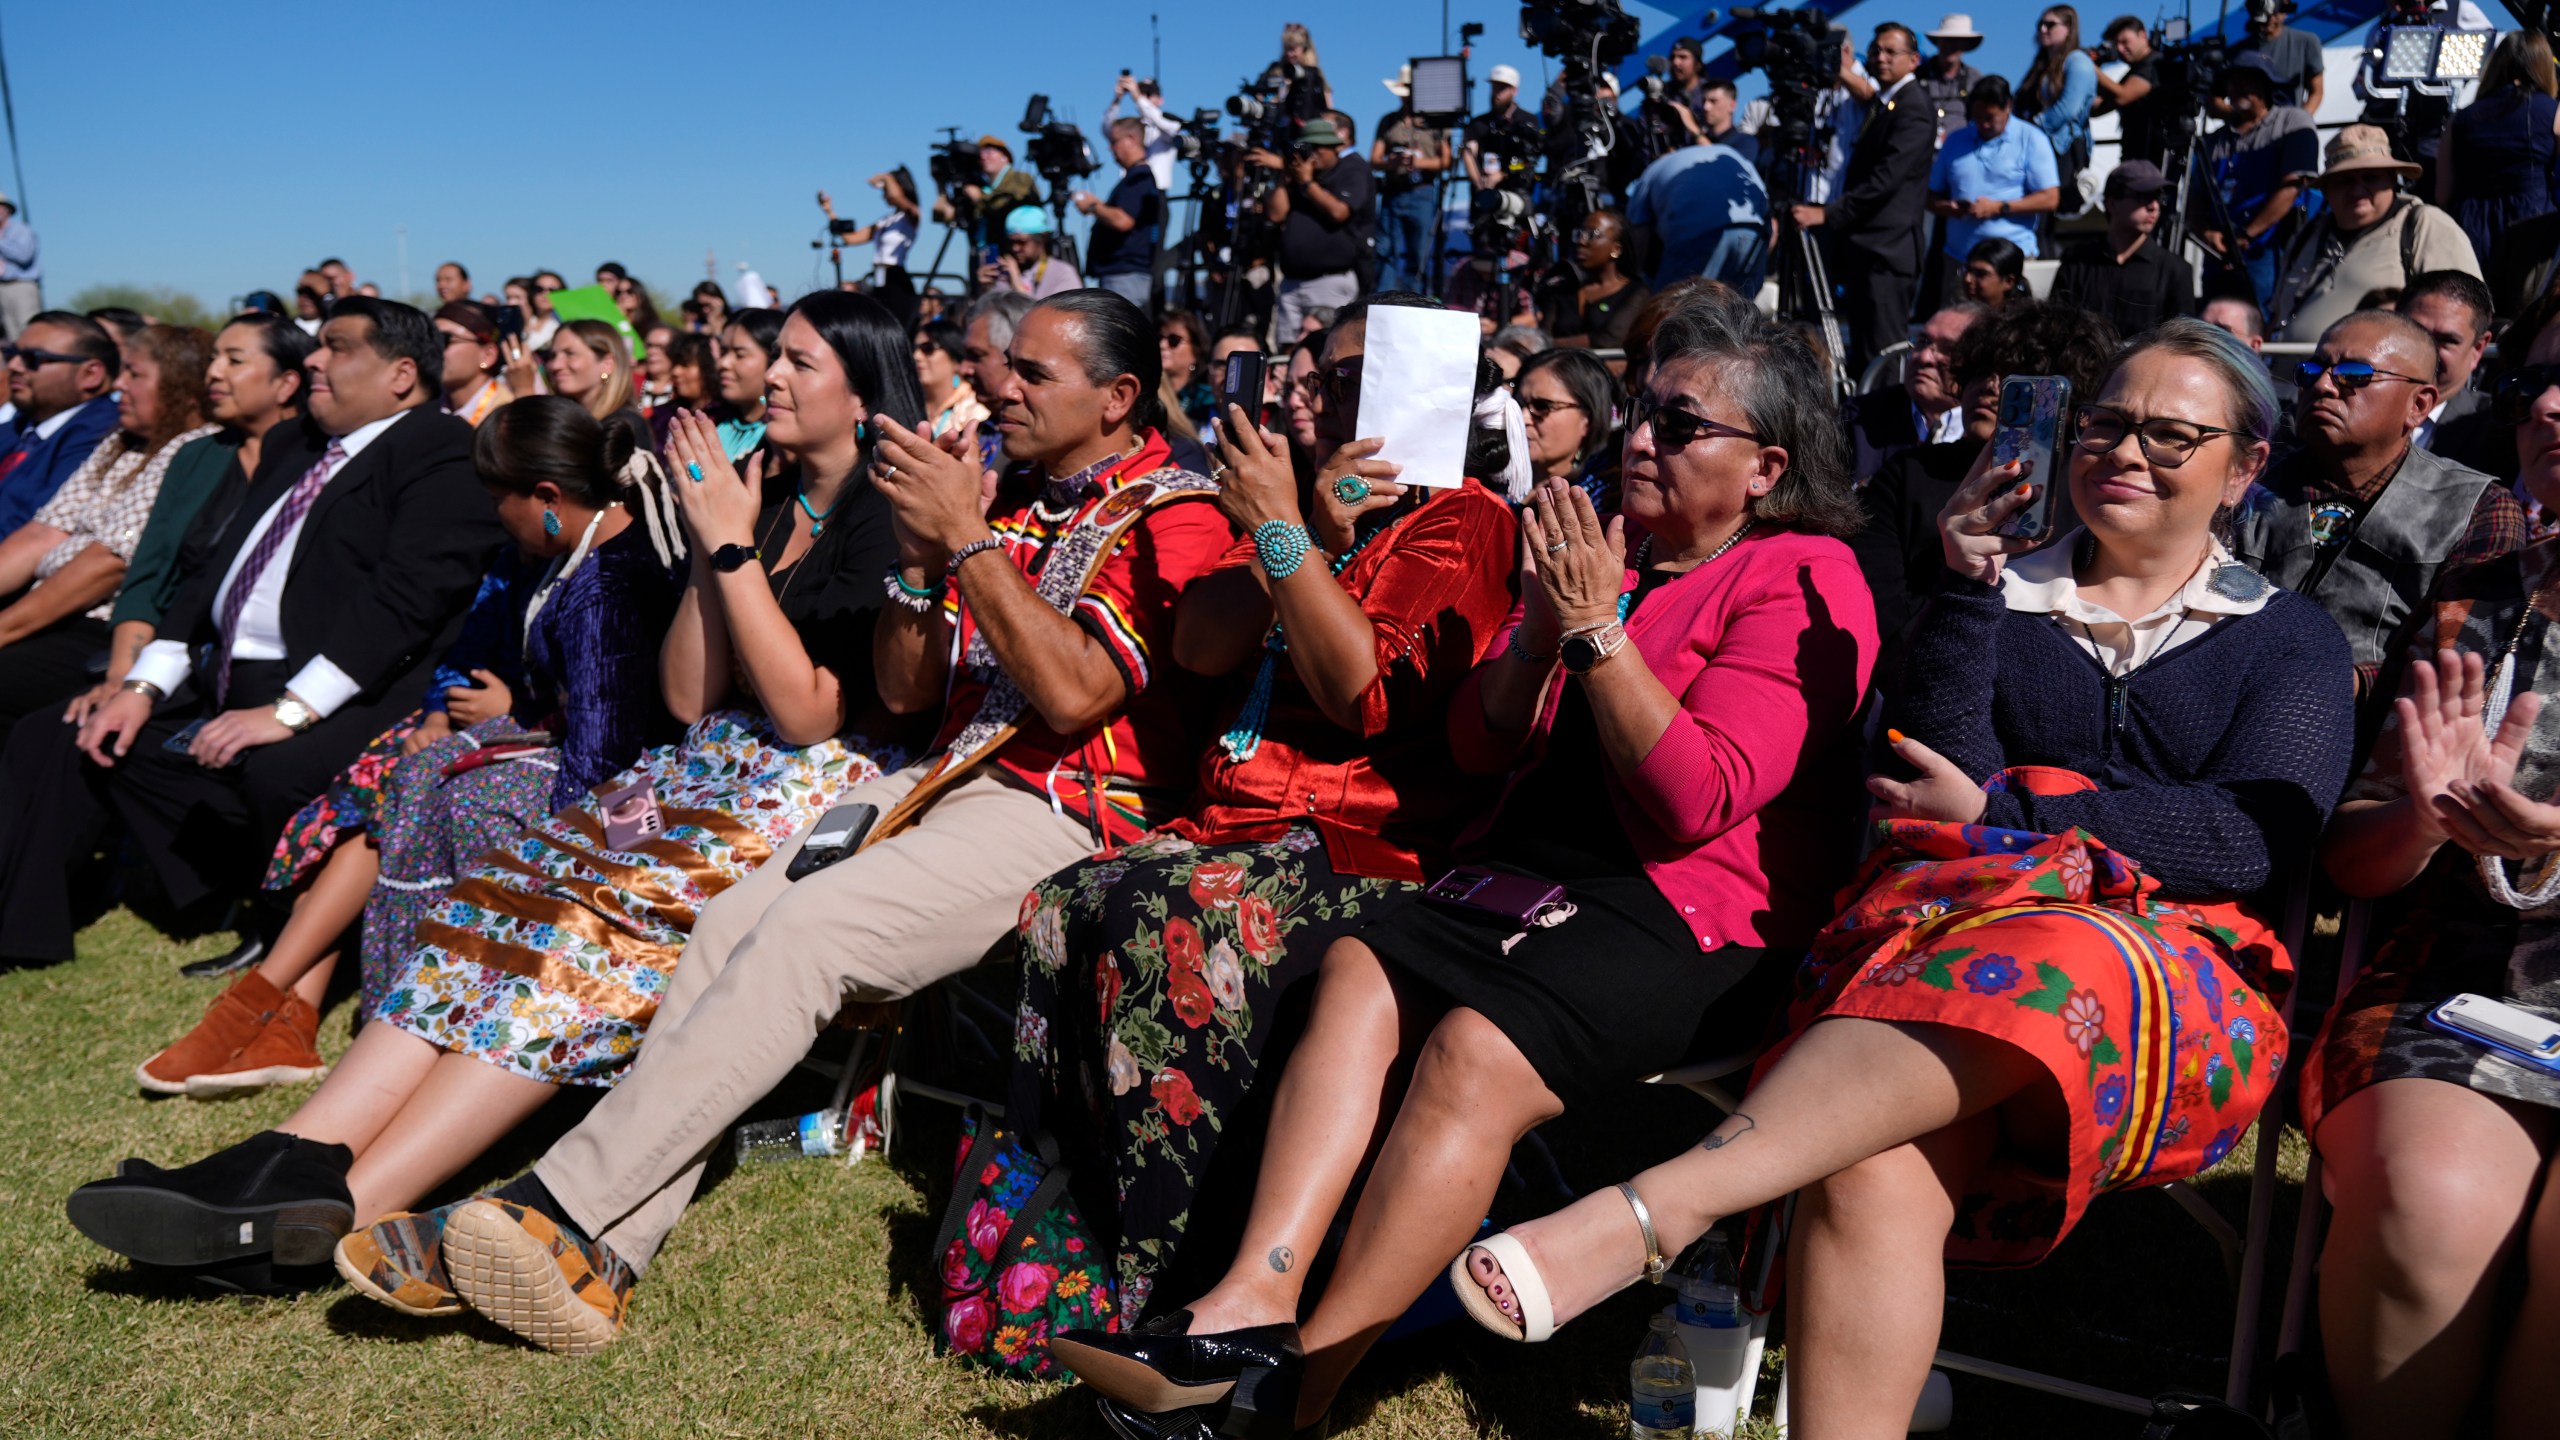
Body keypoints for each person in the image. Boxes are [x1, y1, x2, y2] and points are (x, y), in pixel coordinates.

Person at [1449, 320, 2353, 1440]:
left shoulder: (2288, 640)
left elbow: (2245, 837)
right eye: (2108, 424)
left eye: (2171, 435)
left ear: (2244, 466)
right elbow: (1925, 771)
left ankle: (1658, 1207)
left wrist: (2018, 815)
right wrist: (1967, 587)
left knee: (2053, 955)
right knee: (1870, 1164)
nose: (2125, 452)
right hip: (1950, 940)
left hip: (2172, 989)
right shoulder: (1995, 599)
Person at [326, 291, 1230, 1353]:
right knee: (721, 927)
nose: (999, 385)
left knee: (806, 936)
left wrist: (968, 542)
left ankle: (555, 1207)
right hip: (946, 776)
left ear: (1120, 397)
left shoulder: (1177, 514)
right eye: (1004, 366)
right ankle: (602, 1260)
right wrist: (919, 563)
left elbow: (1079, 700)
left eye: (1033, 374)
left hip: (1071, 809)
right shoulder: (1021, 502)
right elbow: (905, 688)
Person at [1055, 298, 1876, 1438]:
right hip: (1533, 875)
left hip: (1686, 914)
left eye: (1679, 426)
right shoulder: (1605, 547)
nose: (1639, 438)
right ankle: (1249, 1302)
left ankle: (1298, 1393)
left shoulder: (1802, 576)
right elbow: (1476, 743)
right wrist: (1542, 633)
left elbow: (1699, 801)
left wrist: (1598, 635)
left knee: (1471, 1050)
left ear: (1763, 468)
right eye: (1641, 413)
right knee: (1356, 972)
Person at [70, 391, 695, 1290]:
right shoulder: (566, 558)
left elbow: (600, 755)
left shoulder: (607, 577)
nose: (491, 515)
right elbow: (523, 683)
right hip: (585, 780)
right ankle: (286, 1134)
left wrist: (492, 739)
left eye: (499, 498)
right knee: (415, 780)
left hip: (614, 809)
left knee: (433, 796)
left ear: (548, 494)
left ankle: (304, 1116)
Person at [1006, 291, 1519, 1330]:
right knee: (1065, 903)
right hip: (1235, 825)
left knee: (1169, 922)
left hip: (1364, 841)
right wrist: (1312, 525)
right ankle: (1066, 1243)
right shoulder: (1320, 495)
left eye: (1334, 380)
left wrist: (1287, 536)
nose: (1301, 394)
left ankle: (1174, 1286)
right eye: (1308, 375)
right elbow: (1198, 646)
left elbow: (1360, 695)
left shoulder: (1462, 517)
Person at [0, 299, 502, 968]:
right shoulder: (296, 444)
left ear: (401, 375)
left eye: (337, 346)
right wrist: (142, 685)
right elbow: (211, 574)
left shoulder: (442, 452)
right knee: (76, 733)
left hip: (353, 685)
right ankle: (27, 934)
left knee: (273, 772)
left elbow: (403, 602)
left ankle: (283, 919)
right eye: (316, 344)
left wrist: (289, 711)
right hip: (226, 672)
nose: (314, 359)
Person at [2302, 298, 2560, 1440]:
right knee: (2427, 1210)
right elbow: (2355, 867)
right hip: (2468, 986)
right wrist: (2424, 818)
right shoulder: (2479, 594)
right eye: (2543, 377)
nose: (2547, 404)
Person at [61, 315, 316, 817]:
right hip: (174, 654)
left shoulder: (319, 461)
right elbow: (149, 579)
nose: (214, 373)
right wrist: (122, 677)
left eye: (234, 361)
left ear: (288, 382)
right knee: (63, 734)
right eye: (214, 358)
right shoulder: (198, 455)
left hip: (260, 670)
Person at [2231, 309, 2519, 685]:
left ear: (2418, 405)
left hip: (2374, 733)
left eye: (2353, 375)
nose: (2323, 386)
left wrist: (2342, 684)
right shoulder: (2247, 480)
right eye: (2311, 371)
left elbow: (2464, 664)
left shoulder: (2479, 508)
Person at [1852, 299, 2119, 668]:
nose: (1991, 387)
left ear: (2062, 400)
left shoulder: (2091, 489)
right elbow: (1879, 617)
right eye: (1980, 372)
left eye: (2016, 380)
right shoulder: (1907, 475)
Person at [0, 325, 217, 738]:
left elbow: (107, 564)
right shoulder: (122, 441)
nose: (120, 386)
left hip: (99, 627)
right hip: (46, 607)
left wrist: (3, 629)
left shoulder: (192, 449)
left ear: (182, 388)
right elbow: (44, 532)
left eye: (135, 374)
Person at [1796, 25, 1934, 376]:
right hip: (1869, 249)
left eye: (1891, 52)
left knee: (1883, 357)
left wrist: (1827, 214)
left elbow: (1885, 181)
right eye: (1875, 51)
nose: (1880, 58)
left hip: (1887, 250)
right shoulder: (1889, 102)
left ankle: (1890, 432)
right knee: (1866, 354)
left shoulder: (1913, 107)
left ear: (1914, 60)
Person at [2272, 125, 2482, 345]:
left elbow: (2466, 315)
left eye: (2370, 178)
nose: (2357, 189)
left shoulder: (2425, 225)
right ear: (2326, 189)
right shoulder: (2307, 234)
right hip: (2288, 375)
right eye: (2345, 180)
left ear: (2392, 180)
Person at [2195, 57, 2319, 312]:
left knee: (2260, 320)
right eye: (2232, 82)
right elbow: (2194, 197)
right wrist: (2205, 233)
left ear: (2265, 86)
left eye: (2248, 81)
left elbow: (2293, 186)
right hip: (2218, 252)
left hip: (2268, 249)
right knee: (2212, 327)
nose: (2238, 88)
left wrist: (2247, 235)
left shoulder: (2293, 121)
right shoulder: (2213, 140)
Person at [2436, 30, 2559, 282]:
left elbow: (2443, 195)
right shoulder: (2555, 113)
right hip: (2532, 222)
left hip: (2471, 226)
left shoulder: (2459, 119)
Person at [1929, 76, 2062, 302]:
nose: (1983, 124)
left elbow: (2050, 199)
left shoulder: (2031, 139)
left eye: (1990, 117)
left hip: (2010, 261)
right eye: (1977, 117)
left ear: (2008, 106)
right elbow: (1931, 196)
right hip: (1960, 261)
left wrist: (1999, 207)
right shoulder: (1956, 140)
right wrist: (1950, 207)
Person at [0, 312, 123, 535]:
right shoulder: (17, 428)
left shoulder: (103, 435)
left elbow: (29, 527)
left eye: (32, 358)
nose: (15, 366)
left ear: (90, 374)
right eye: (11, 354)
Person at [2051, 159, 2198, 338]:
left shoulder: (2175, 270)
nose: (2154, 206)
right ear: (2112, 204)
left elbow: (2181, 342)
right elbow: (2055, 327)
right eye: (2143, 197)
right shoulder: (2077, 262)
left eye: (2158, 197)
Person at [1259, 117, 1372, 344]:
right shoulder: (1297, 176)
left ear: (1334, 148)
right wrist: (1285, 176)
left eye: (1319, 148)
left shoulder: (1351, 170)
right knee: (1288, 349)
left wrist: (1307, 183)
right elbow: (1276, 214)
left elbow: (1339, 212)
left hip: (1329, 281)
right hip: (1292, 282)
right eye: (1309, 148)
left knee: (1327, 346)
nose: (1313, 155)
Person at [1845, 302, 1984, 482]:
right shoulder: (1858, 419)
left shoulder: (1989, 433)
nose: (1924, 357)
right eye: (1923, 342)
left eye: (1948, 349)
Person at [1626, 131, 1771, 297]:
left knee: (1675, 307)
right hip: (1754, 230)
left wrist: (1635, 281)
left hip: (1697, 231)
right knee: (1740, 313)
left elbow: (1637, 231)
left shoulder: (1653, 168)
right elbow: (1768, 214)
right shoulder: (1727, 152)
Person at [2397, 271, 2500, 476]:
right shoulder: (2348, 401)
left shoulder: (2496, 431)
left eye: (2447, 340)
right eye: (2416, 332)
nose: (2428, 350)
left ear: (2478, 349)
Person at [1373, 66, 1452, 295]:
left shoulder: (1434, 122)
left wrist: (1420, 163)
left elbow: (1446, 160)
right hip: (1393, 191)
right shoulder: (1389, 121)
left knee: (1420, 253)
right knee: (1386, 250)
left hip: (1422, 192)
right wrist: (1393, 162)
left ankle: (1416, 297)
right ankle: (1384, 298)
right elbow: (1374, 158)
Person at [1077, 118, 1166, 312]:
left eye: (1115, 142)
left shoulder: (1139, 178)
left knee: (1120, 337)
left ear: (1132, 139)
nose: (1111, 148)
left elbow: (1123, 220)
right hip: (1123, 276)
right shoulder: (1135, 179)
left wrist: (1092, 206)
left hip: (1125, 277)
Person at [1515, 347, 1621, 504]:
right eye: (1518, 404)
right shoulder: (1486, 482)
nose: (1523, 418)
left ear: (1587, 419)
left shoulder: (1605, 500)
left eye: (1541, 406)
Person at [1533, 211, 1650, 353]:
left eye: (1592, 235)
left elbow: (1610, 340)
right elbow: (1543, 336)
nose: (1581, 241)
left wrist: (1552, 344)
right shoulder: (1564, 288)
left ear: (1616, 249)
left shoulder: (1635, 293)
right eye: (1580, 234)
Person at [2019, 7, 2097, 217]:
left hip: (2062, 148)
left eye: (2050, 24)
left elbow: (2069, 108)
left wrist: (2032, 128)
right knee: (2036, 213)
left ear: (2069, 28)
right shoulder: (2043, 63)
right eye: (2040, 25)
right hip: (2043, 145)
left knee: (2047, 212)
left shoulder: (2078, 61)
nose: (2043, 29)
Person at [818, 171, 922, 326]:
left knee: (897, 323)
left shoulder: (911, 215)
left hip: (896, 277)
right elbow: (850, 238)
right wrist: (829, 211)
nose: (885, 195)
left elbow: (896, 197)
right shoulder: (885, 221)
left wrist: (886, 177)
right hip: (878, 276)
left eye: (886, 190)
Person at [545, 318, 649, 453]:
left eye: (570, 354)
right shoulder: (565, 421)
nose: (555, 365)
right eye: (553, 355)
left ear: (607, 364)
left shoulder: (625, 426)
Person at [945, 134, 1040, 251]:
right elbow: (948, 216)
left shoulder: (1020, 179)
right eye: (980, 154)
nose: (984, 157)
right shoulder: (981, 186)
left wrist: (980, 199)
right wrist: (941, 184)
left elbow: (1004, 206)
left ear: (1005, 157)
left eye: (989, 152)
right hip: (983, 251)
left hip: (1012, 252)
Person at [711, 307, 782, 463]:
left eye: (740, 354)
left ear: (773, 360)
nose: (723, 363)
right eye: (723, 352)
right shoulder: (713, 420)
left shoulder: (783, 439)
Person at [2231, 0, 2325, 114]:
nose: (2270, 18)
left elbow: (2316, 92)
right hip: (2247, 128)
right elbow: (2216, 101)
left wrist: (2300, 121)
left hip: (2289, 124)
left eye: (2276, 10)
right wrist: (2237, 117)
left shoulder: (2306, 42)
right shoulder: (2237, 52)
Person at [1462, 65, 1542, 197]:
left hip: (1517, 192)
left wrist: (1503, 174)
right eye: (1494, 87)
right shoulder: (1479, 123)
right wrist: (1479, 183)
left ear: (1514, 90)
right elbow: (1468, 153)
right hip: (1485, 195)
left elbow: (1531, 157)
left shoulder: (1527, 121)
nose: (1497, 93)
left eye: (1502, 88)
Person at [2094, 15, 2164, 167]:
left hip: (2152, 161)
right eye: (2116, 44)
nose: (2120, 49)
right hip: (2133, 157)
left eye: (2125, 42)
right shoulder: (2132, 73)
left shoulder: (2155, 65)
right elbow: (2098, 108)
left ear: (2143, 35)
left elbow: (2123, 96)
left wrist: (2093, 71)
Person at [433, 301, 512, 429]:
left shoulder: (506, 417)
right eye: (431, 340)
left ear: (487, 355)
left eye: (444, 339)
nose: (434, 348)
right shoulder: (425, 409)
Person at [1104, 71, 1182, 194]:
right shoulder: (1134, 125)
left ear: (1161, 100)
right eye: (1142, 93)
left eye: (1149, 94)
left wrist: (1137, 98)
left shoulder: (1169, 123)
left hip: (1156, 190)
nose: (1144, 97)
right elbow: (1108, 130)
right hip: (1130, 188)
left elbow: (1165, 124)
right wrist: (1117, 99)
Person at [982, 207, 1082, 301]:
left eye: (1022, 242)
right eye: (1011, 242)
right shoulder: (1004, 274)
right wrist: (984, 289)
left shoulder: (1062, 273)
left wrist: (1018, 285)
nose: (1015, 248)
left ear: (1041, 239)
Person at [1916, 14, 1988, 141]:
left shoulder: (1974, 79)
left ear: (1965, 45)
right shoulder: (1919, 75)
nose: (1950, 46)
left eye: (1957, 41)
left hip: (1958, 152)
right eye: (1946, 40)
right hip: (1920, 150)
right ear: (1938, 42)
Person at [911, 319, 988, 439]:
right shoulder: (909, 401)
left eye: (928, 348)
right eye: (914, 349)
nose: (916, 356)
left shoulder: (974, 409)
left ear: (955, 359)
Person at [1158, 308, 1214, 434]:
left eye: (1174, 340)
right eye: (1159, 337)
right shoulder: (1146, 392)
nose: (1162, 344)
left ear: (1196, 352)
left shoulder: (1205, 398)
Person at [0, 190, 39, 338]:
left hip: (21, 285)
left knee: (27, 327)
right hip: (2, 287)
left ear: (7, 210)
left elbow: (23, 256)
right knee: (11, 331)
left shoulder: (21, 231)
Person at [1960, 236, 2033, 306]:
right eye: (1967, 270)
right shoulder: (1960, 315)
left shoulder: (2024, 318)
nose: (1967, 279)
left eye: (1980, 274)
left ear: (2008, 281)